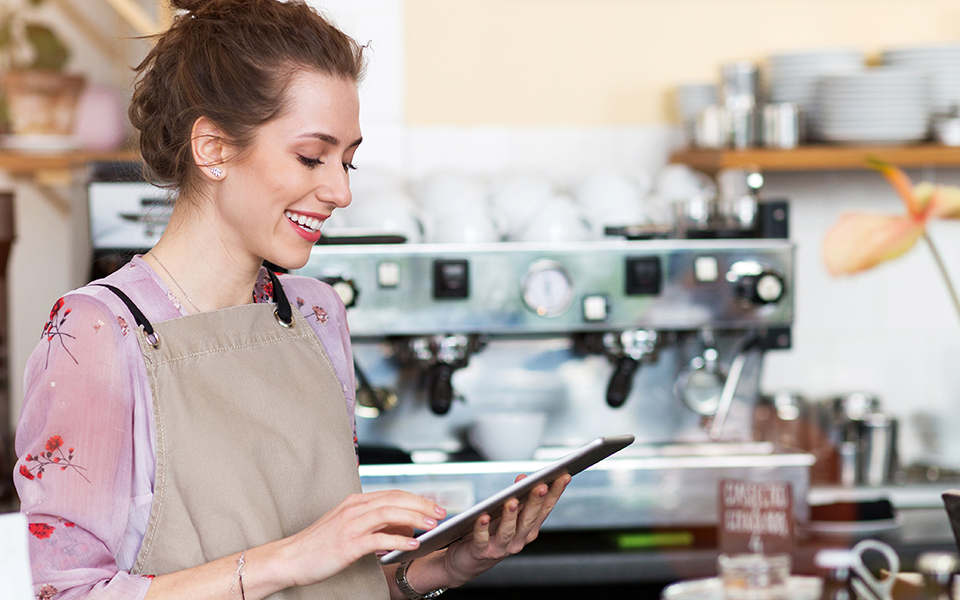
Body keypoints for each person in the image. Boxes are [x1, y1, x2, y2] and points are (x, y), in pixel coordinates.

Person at [13, 1, 570, 598]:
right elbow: (70, 595)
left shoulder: (315, 314)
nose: (340, 190)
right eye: (312, 157)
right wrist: (291, 557)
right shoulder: (97, 333)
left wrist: (446, 566)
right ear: (214, 149)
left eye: (347, 160)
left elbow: (332, 583)